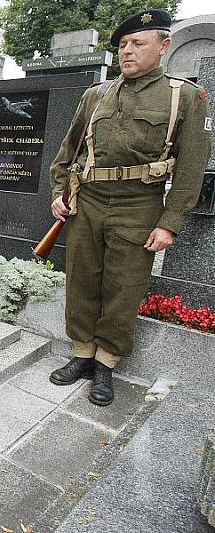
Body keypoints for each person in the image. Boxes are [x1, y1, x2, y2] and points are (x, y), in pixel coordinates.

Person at [47, 9, 211, 406]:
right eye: (122, 44)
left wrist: (170, 223)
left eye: (138, 43)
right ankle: (82, 354)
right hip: (87, 202)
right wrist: (59, 190)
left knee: (123, 288)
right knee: (82, 281)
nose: (127, 51)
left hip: (139, 206)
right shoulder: (97, 95)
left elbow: (192, 168)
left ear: (164, 46)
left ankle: (106, 363)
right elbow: (68, 150)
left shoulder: (183, 97)